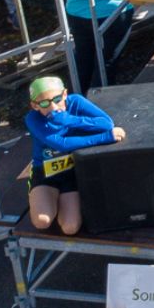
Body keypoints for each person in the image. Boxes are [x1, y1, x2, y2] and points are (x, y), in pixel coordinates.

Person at [24, 75, 124, 236]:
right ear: (35, 105)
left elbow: (106, 123)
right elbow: (61, 144)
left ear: (65, 94)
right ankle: (42, 197)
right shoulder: (33, 119)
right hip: (45, 173)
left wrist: (69, 119)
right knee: (42, 221)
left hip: (72, 171)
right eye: (44, 103)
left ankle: (57, 202)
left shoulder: (75, 101)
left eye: (57, 99)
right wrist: (105, 137)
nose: (53, 107)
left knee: (70, 228)